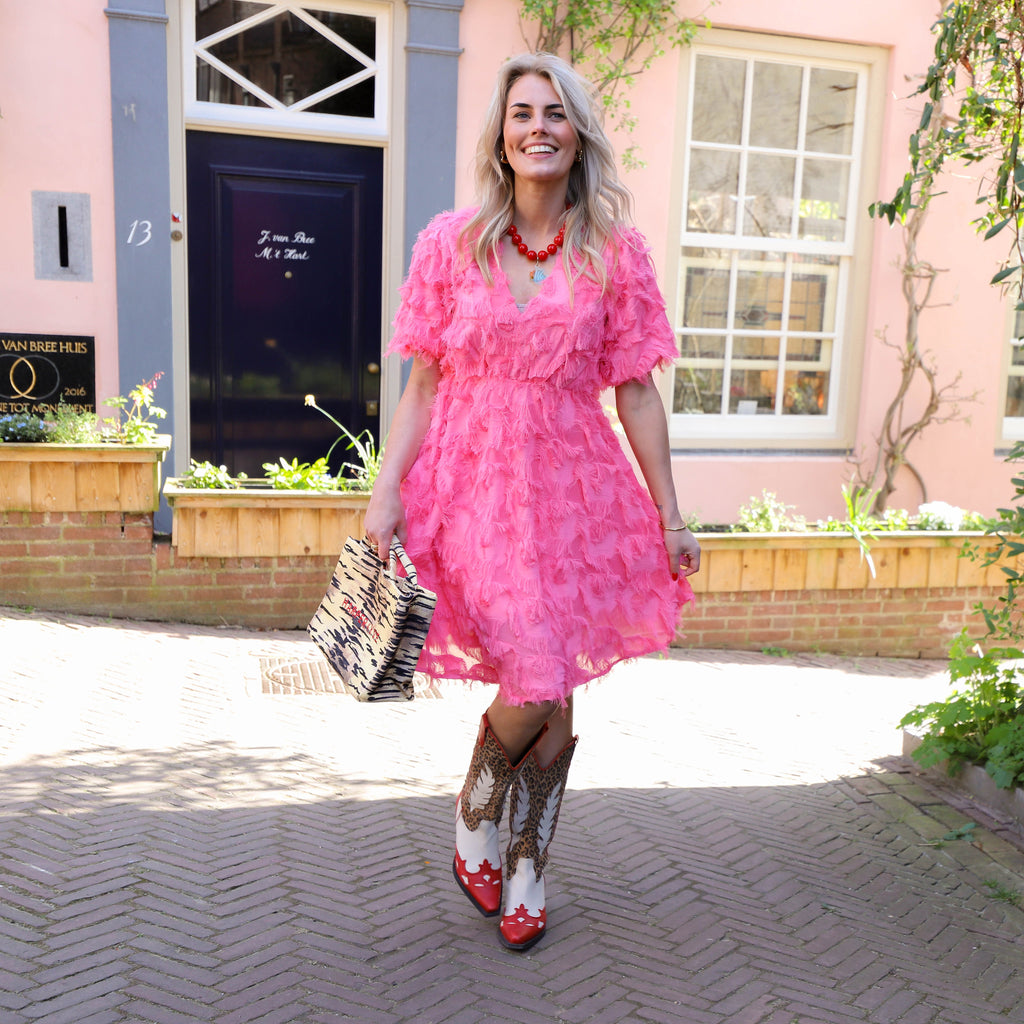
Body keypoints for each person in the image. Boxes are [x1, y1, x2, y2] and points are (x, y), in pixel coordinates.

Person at [364, 52, 700, 952]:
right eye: (522, 113)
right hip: (471, 487)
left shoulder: (614, 253)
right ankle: (477, 808)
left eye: (555, 113)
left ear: (577, 135)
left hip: (575, 495)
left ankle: (528, 866)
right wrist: (386, 493)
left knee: (558, 681)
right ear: (501, 135)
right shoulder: (450, 243)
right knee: (538, 676)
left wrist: (669, 515)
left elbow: (637, 392)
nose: (538, 128)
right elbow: (422, 384)